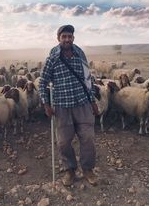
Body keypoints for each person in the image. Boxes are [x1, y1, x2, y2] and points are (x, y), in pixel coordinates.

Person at [39, 24, 99, 186]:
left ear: (73, 38)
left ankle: (87, 169)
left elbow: (88, 80)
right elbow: (43, 81)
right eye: (64, 36)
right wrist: (46, 103)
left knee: (88, 138)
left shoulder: (80, 55)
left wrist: (93, 101)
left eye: (69, 36)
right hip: (62, 106)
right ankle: (70, 170)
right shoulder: (53, 58)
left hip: (82, 103)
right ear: (58, 39)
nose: (67, 39)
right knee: (64, 142)